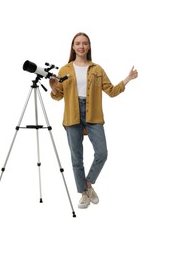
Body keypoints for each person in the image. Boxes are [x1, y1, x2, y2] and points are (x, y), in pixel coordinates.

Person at [49, 32, 138, 209]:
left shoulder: (97, 69)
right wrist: (53, 89)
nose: (81, 46)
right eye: (78, 43)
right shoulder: (65, 70)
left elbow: (111, 91)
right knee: (77, 158)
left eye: (85, 43)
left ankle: (88, 184)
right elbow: (58, 96)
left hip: (94, 115)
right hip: (72, 116)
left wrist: (127, 79)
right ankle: (83, 193)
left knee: (102, 153)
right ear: (73, 47)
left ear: (89, 47)